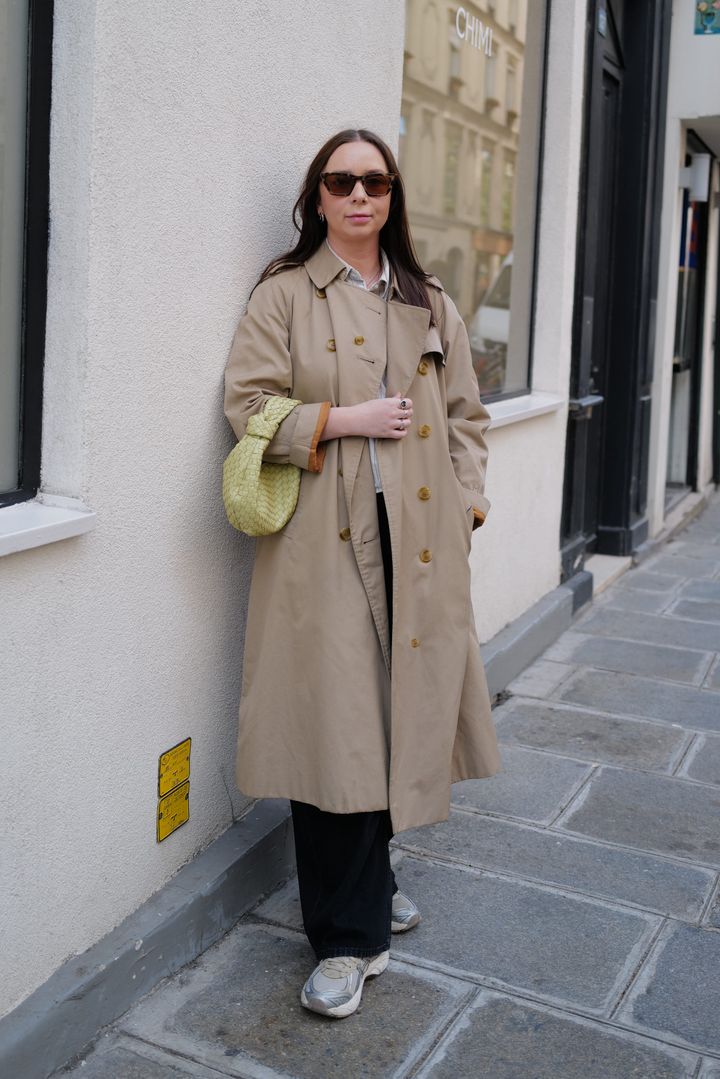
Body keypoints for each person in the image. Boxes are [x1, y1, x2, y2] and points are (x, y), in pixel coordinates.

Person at [223, 128, 502, 1019]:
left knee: (395, 718)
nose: (358, 196)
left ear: (391, 197)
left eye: (374, 182)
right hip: (325, 543)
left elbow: (467, 418)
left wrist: (467, 507)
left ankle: (373, 881)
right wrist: (344, 419)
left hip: (420, 544)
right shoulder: (284, 293)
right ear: (317, 196)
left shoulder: (428, 299)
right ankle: (346, 941)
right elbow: (247, 403)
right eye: (341, 181)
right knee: (334, 731)